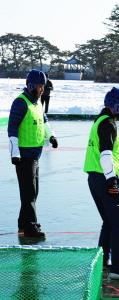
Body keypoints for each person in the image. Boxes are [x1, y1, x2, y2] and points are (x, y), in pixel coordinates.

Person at [83, 87, 119, 280]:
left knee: (109, 221)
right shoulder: (108, 124)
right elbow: (105, 154)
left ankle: (103, 260)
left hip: (94, 178)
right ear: (115, 106)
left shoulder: (100, 120)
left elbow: (106, 152)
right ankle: (118, 268)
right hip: (105, 180)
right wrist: (112, 180)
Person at [8, 69, 58, 238]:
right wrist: (15, 153)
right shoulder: (20, 103)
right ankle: (30, 227)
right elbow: (12, 129)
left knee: (33, 192)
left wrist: (51, 136)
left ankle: (23, 224)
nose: (42, 89)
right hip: (23, 156)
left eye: (43, 86)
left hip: (35, 156)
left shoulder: (36, 103)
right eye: (39, 86)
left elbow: (44, 122)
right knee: (29, 192)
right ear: (30, 86)